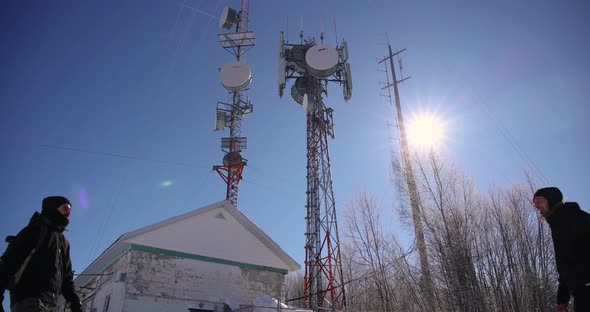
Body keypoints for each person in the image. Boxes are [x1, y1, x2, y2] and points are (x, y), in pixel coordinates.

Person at [0, 196, 82, 312]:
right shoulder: (36, 230)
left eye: (70, 210)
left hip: (50, 303)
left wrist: (75, 302)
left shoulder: (63, 242)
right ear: (53, 208)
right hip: (29, 298)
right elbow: (10, 261)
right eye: (65, 208)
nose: (68, 213)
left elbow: (67, 278)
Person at [533, 187, 590, 312]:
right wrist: (562, 300)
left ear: (551, 200)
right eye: (534, 202)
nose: (535, 204)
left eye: (539, 199)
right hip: (581, 292)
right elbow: (565, 265)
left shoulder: (577, 218)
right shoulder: (557, 226)